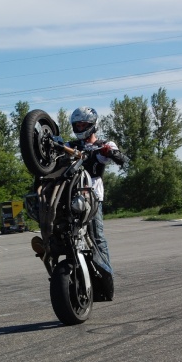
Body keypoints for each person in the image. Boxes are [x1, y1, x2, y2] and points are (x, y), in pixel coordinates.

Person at [66, 106, 129, 273]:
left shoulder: (103, 145)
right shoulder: (71, 146)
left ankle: (107, 273)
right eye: (77, 125)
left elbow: (122, 158)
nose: (80, 128)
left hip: (92, 196)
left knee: (97, 236)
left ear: (92, 125)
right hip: (72, 194)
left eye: (83, 125)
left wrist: (110, 152)